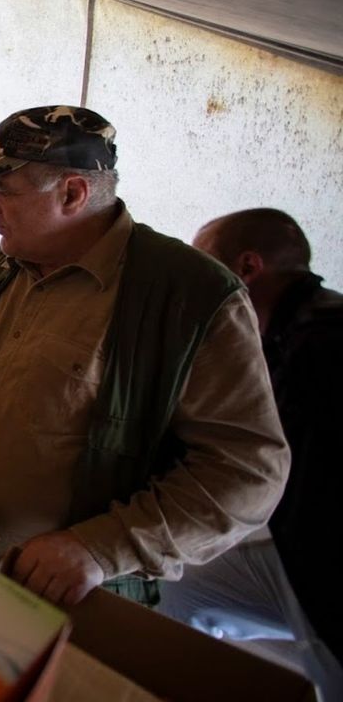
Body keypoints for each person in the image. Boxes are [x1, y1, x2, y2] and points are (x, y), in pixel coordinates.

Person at [0, 105, 289, 607]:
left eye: (3, 189)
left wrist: (98, 549)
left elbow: (248, 473)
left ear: (72, 193)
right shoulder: (13, 261)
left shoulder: (188, 296)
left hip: (58, 598)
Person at [185, 209, 342, 677]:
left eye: (204, 270)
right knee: (181, 585)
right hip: (298, 548)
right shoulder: (278, 335)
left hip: (328, 567)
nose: (195, 293)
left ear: (247, 268)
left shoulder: (323, 344)